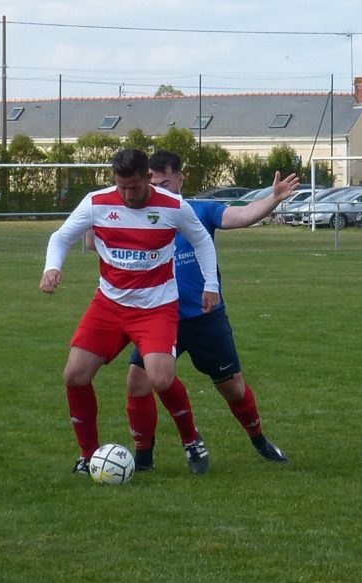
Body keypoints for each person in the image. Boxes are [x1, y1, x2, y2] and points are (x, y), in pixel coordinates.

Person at [41, 148, 221, 475]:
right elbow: (61, 237)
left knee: (160, 378)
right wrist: (52, 267)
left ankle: (191, 440)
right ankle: (88, 455)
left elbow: (202, 241)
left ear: (147, 179)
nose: (127, 195)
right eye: (121, 187)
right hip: (109, 305)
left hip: (156, 308)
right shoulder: (97, 202)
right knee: (74, 375)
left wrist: (211, 285)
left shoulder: (173, 206)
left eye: (134, 187)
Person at [124, 150, 297, 474]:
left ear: (181, 178)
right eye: (153, 184)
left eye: (165, 183)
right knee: (138, 381)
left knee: (232, 388)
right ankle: (143, 458)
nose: (158, 189)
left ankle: (259, 440)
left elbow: (241, 216)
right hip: (159, 318)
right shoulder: (140, 215)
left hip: (205, 317)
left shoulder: (199, 210)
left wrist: (272, 199)